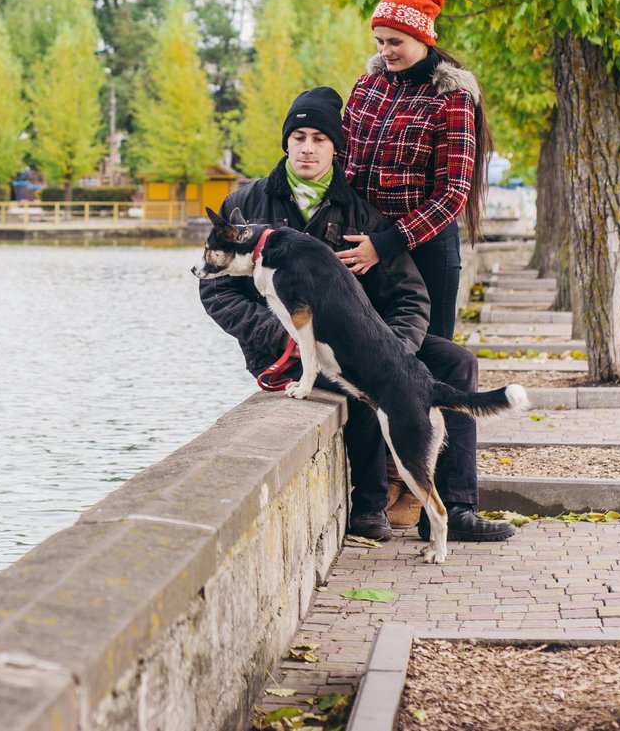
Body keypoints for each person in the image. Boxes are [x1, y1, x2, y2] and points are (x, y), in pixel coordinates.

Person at [200, 88, 514, 543]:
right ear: (286, 143)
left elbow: (411, 295)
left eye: (320, 139)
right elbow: (217, 293)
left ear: (336, 148)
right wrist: (280, 333)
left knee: (456, 363)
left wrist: (394, 351)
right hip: (284, 351)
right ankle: (370, 505)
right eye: (299, 137)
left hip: (369, 341)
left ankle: (457, 507)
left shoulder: (360, 212)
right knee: (363, 386)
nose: (308, 147)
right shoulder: (244, 207)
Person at [340, 0, 492, 340]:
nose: (384, 51)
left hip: (425, 254)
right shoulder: (367, 86)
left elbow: (453, 193)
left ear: (423, 39)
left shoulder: (451, 98)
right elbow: (342, 160)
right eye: (379, 41)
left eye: (395, 41)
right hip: (361, 248)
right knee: (366, 364)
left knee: (429, 366)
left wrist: (386, 243)